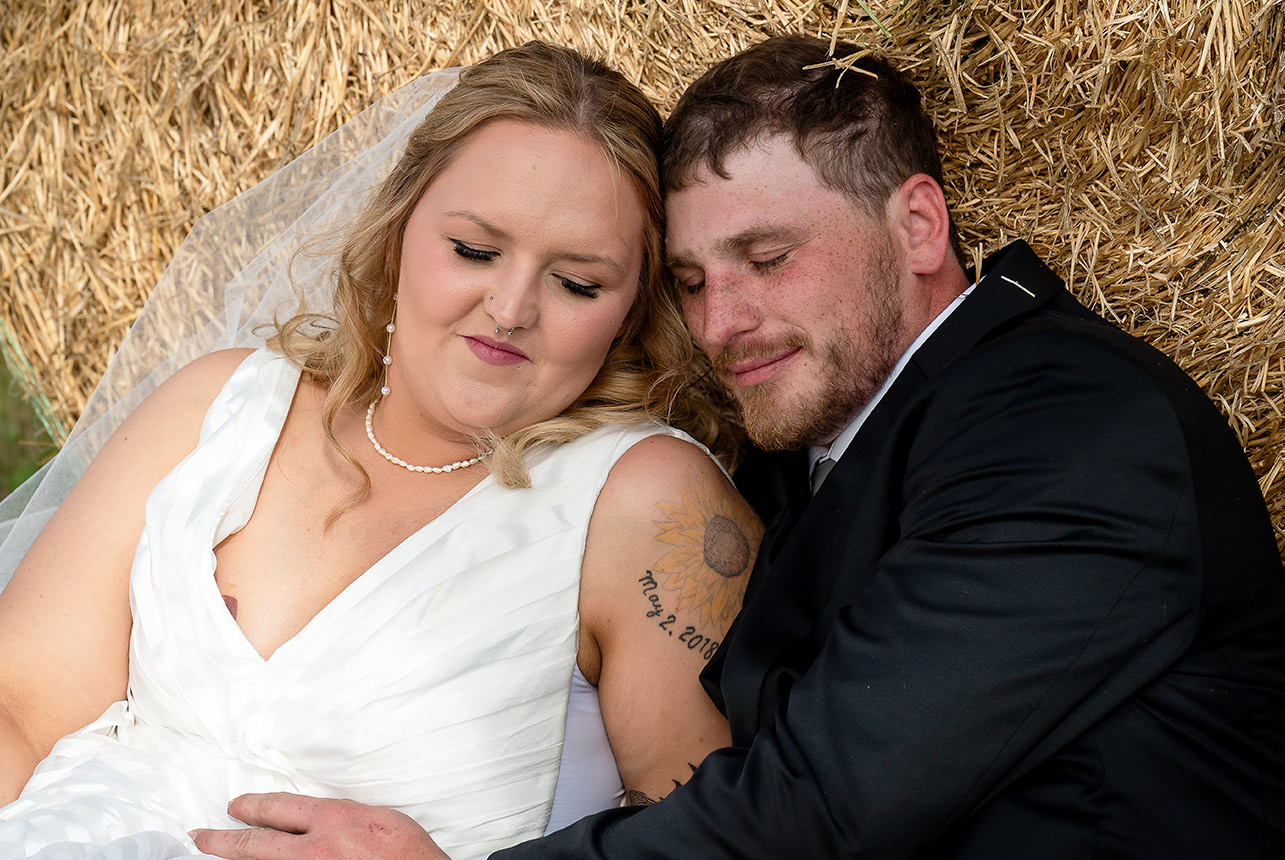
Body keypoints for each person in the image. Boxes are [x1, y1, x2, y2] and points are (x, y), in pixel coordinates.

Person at [194, 33, 1285, 860]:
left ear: (917, 226)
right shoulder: (801, 444)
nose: (722, 323)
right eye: (691, 279)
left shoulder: (1076, 424)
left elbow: (823, 797)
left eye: (767, 257)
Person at [0, 41, 763, 860]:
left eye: (577, 283)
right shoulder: (220, 406)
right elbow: (22, 705)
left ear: (631, 310)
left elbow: (720, 843)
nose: (508, 307)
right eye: (474, 250)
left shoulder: (649, 504)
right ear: (398, 229)